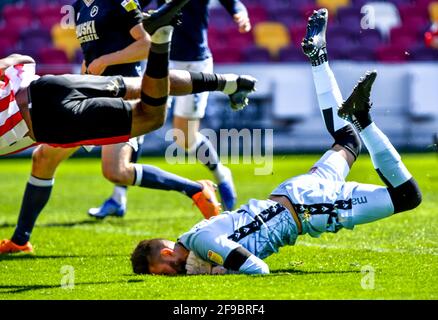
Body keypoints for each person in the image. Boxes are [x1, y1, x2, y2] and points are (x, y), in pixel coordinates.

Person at [130, 9, 422, 275]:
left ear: (168, 253)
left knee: (408, 197)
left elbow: (258, 270)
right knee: (347, 140)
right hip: (293, 194)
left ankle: (363, 117)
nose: (171, 276)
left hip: (307, 207)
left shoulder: (203, 241)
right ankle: (318, 58)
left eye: (163, 271)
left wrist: (215, 274)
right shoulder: (196, 236)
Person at [0, 0, 257, 254]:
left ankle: (196, 189)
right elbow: (91, 55)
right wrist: (86, 71)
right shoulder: (80, 7)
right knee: (43, 158)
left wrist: (106, 60)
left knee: (117, 170)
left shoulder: (120, 1)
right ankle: (21, 240)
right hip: (81, 95)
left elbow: (146, 44)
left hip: (124, 86)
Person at [134, 0, 251, 214]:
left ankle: (222, 174)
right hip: (162, 59)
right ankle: (118, 196)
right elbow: (134, 7)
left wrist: (240, 14)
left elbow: (233, 3)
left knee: (184, 137)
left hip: (196, 65)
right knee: (139, 123)